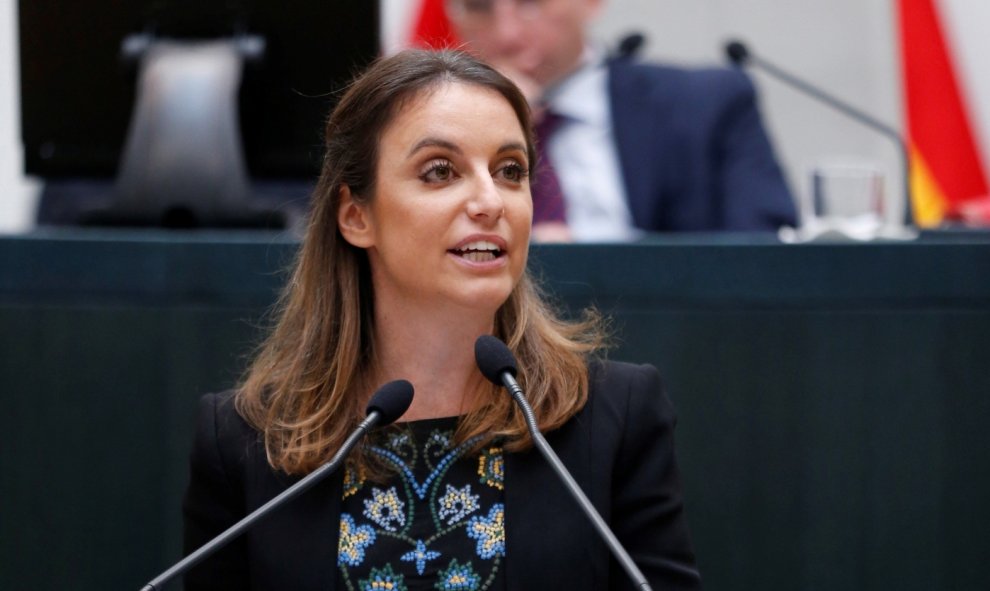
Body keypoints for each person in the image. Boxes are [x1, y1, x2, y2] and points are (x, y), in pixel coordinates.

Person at [182, 49, 701, 590]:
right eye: (440, 172)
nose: (489, 201)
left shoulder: (614, 418)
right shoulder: (244, 442)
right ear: (357, 216)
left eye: (510, 171)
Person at [444, 0, 798, 242]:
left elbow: (762, 257)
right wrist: (491, 122)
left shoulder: (708, 104)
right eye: (479, 6)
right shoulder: (433, 124)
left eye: (531, 3)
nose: (507, 34)